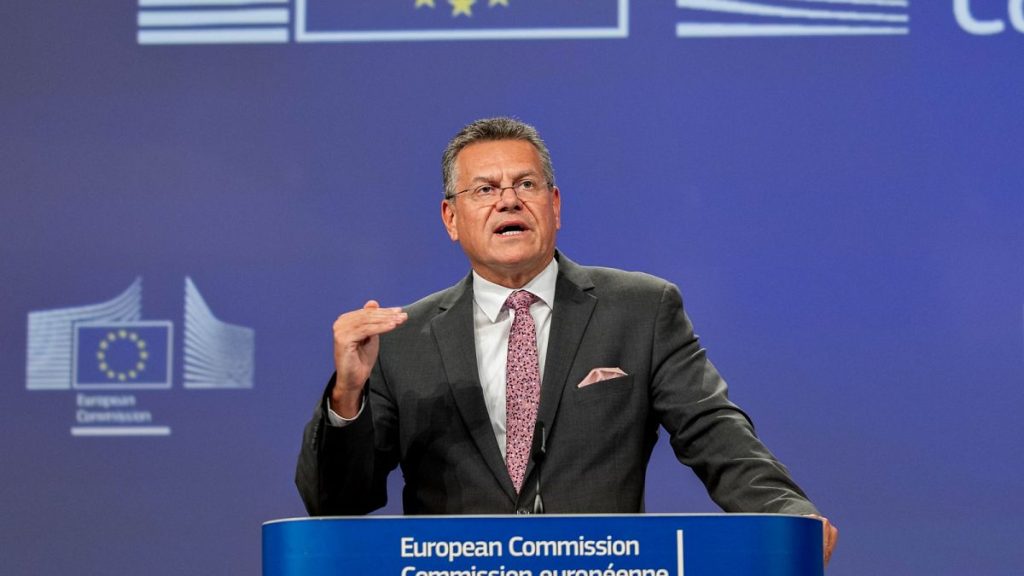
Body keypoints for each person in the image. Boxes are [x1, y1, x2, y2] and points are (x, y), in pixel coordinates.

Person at [296, 117, 837, 565]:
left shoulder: (641, 310)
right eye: (485, 189)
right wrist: (347, 394)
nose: (508, 201)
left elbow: (715, 434)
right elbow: (335, 503)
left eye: (525, 185)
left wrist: (786, 516)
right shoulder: (403, 338)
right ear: (451, 218)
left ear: (554, 205)